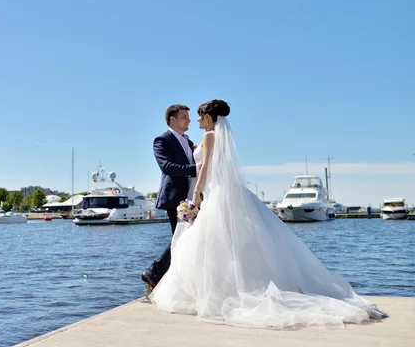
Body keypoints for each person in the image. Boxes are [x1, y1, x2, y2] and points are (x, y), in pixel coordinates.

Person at [149, 99, 386, 329]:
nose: (196, 120)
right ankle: (204, 282)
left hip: (210, 192)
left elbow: (205, 168)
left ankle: (204, 287)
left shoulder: (208, 136)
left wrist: (197, 194)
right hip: (216, 192)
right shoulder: (207, 137)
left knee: (204, 242)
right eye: (189, 117)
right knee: (215, 242)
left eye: (199, 116)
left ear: (209, 117)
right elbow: (188, 165)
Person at [141, 104, 199, 288]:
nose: (189, 120)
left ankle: (166, 276)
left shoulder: (189, 142)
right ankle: (154, 272)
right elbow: (167, 167)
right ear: (172, 119)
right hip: (174, 197)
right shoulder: (162, 140)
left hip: (190, 197)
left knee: (185, 237)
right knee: (181, 237)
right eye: (184, 117)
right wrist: (198, 167)